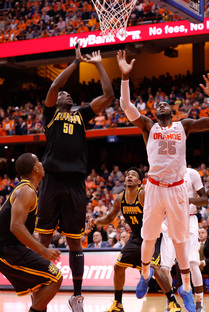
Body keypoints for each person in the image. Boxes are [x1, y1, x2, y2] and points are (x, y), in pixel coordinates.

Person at [116, 50, 209, 312]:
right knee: (148, 236)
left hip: (177, 190)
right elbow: (126, 107)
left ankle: (185, 287)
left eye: (165, 104)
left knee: (181, 240)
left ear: (172, 111)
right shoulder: (149, 126)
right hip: (153, 188)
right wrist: (125, 77)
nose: (160, 105)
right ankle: (145, 273)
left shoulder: (183, 126)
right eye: (157, 104)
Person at [35, 44, 114, 312]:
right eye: (64, 94)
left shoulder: (81, 115)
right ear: (57, 101)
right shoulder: (50, 114)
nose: (67, 95)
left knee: (74, 242)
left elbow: (108, 95)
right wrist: (75, 63)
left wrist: (100, 64)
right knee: (43, 238)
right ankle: (37, 287)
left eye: (70, 94)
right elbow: (55, 86)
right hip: (52, 181)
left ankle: (77, 296)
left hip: (76, 184)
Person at [90, 167, 182, 312]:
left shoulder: (143, 194)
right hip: (135, 237)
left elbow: (159, 211)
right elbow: (109, 217)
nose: (129, 177)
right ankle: (118, 304)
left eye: (133, 175)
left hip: (152, 235)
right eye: (127, 175)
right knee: (118, 267)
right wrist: (96, 222)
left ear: (140, 181)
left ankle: (172, 302)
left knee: (154, 267)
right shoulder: (120, 198)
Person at [0, 153, 62, 312]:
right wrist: (43, 250)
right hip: (8, 250)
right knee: (56, 277)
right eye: (39, 162)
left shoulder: (23, 189)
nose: (42, 164)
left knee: (40, 283)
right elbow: (16, 227)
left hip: (11, 248)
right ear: (35, 169)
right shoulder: (27, 191)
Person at [160, 168, 208, 312]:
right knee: (165, 268)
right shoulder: (162, 174)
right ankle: (171, 301)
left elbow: (204, 199)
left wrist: (188, 200)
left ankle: (199, 302)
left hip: (189, 219)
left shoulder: (192, 173)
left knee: (193, 264)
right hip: (169, 220)